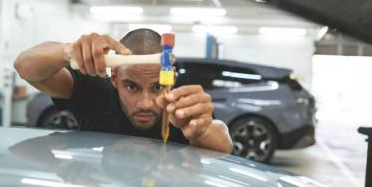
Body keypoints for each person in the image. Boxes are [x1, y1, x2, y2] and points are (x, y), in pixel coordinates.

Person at [14, 29, 233, 153]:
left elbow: (223, 140)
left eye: (157, 87)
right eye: (132, 87)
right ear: (115, 78)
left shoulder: (179, 109)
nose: (145, 103)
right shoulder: (94, 94)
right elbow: (25, 67)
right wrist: (67, 51)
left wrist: (200, 131)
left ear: (171, 80)